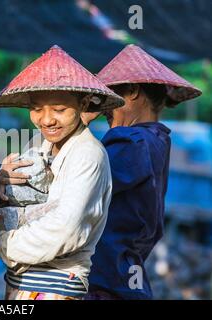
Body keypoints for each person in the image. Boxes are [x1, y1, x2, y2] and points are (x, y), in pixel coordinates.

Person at [0, 45, 124, 300]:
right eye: (37, 109)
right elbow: (6, 205)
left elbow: (66, 229)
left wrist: (5, 243)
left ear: (83, 104)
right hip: (20, 284)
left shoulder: (89, 154)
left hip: (55, 288)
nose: (46, 120)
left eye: (59, 110)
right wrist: (1, 188)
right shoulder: (39, 145)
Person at [82, 44, 202, 299]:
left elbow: (80, 181)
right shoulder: (156, 140)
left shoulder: (132, 141)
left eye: (108, 97)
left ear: (133, 91)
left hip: (107, 285)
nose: (102, 108)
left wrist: (76, 127)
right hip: (123, 281)